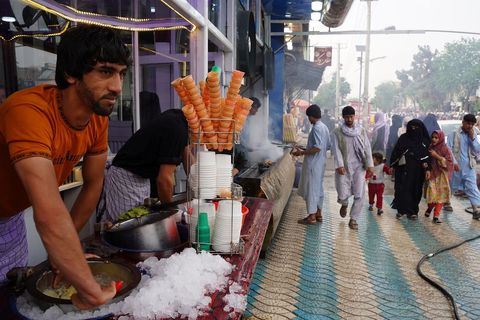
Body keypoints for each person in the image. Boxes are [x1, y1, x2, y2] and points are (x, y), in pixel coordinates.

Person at [0, 25, 131, 309]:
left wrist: (65, 253)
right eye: (106, 71)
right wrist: (92, 292)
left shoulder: (97, 117)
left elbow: (93, 183)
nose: (118, 87)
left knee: (13, 295)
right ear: (71, 73)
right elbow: (47, 210)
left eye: (121, 74)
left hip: (9, 218)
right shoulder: (27, 110)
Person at [100, 109, 190, 222]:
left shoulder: (180, 120)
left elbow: (187, 155)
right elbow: (164, 180)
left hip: (142, 178)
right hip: (126, 178)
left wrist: (198, 184)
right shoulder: (178, 128)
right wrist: (172, 214)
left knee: (141, 219)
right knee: (127, 224)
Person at [331, 106, 374, 230]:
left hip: (359, 166)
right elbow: (336, 149)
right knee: (343, 190)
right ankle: (344, 204)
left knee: (359, 192)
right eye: (347, 117)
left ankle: (353, 219)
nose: (349, 119)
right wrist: (339, 165)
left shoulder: (361, 131)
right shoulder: (337, 132)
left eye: (351, 116)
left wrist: (370, 165)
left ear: (354, 117)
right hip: (344, 166)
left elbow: (367, 148)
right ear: (343, 117)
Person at [293, 104, 331, 225]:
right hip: (321, 163)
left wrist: (302, 152)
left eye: (308, 116)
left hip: (313, 165)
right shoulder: (324, 127)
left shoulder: (316, 128)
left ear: (311, 116)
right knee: (318, 189)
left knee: (311, 189)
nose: (308, 119)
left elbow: (317, 148)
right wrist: (305, 147)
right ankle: (318, 213)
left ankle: (311, 216)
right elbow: (326, 145)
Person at [390, 119, 431, 220]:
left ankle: (413, 211)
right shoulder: (403, 138)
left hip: (418, 171)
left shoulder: (425, 142)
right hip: (403, 170)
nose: (414, 130)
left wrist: (428, 169)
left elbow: (427, 157)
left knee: (416, 190)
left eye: (417, 127)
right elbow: (396, 152)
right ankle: (401, 210)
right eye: (412, 127)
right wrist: (393, 166)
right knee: (402, 189)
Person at [447, 114, 480, 220]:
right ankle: (446, 202)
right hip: (456, 167)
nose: (470, 126)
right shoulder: (454, 134)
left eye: (472, 124)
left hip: (469, 166)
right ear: (463, 122)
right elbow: (449, 149)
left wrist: (472, 138)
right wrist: (454, 162)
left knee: (472, 187)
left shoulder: (473, 134)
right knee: (451, 186)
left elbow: (476, 150)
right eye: (468, 123)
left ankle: (476, 209)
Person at [425, 130, 454, 224]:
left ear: (440, 138)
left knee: (441, 196)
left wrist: (437, 156)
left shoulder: (445, 149)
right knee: (432, 195)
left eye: (436, 137)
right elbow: (427, 161)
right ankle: (429, 208)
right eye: (432, 137)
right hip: (432, 175)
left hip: (442, 175)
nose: (434, 139)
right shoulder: (429, 147)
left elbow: (449, 163)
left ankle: (436, 216)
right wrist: (427, 169)